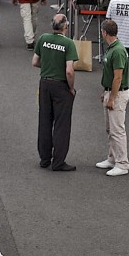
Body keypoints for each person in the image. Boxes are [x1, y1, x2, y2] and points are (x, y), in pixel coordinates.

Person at [33, 13, 78, 171]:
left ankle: (44, 158)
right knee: (61, 124)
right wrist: (71, 88)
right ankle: (58, 161)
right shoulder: (68, 43)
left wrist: (47, 68)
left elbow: (35, 62)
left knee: (45, 121)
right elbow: (69, 71)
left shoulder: (43, 39)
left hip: (44, 83)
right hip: (61, 86)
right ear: (66, 26)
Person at [95, 19, 129, 176]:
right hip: (111, 91)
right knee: (110, 129)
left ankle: (122, 164)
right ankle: (112, 158)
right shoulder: (113, 48)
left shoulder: (117, 51)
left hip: (117, 93)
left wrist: (112, 98)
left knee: (117, 130)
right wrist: (106, 92)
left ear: (104, 32)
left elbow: (118, 77)